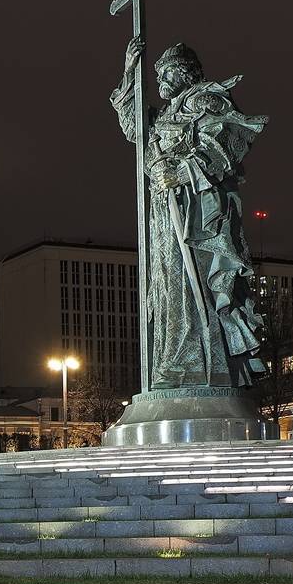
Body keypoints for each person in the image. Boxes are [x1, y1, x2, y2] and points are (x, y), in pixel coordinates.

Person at [112, 35, 268, 388]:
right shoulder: (166, 114)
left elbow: (225, 145)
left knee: (192, 280)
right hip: (164, 210)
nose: (161, 81)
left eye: (166, 73)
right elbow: (133, 127)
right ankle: (174, 361)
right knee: (168, 282)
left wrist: (182, 172)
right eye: (157, 76)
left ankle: (200, 365)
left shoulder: (205, 100)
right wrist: (130, 72)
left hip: (198, 213)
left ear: (185, 72)